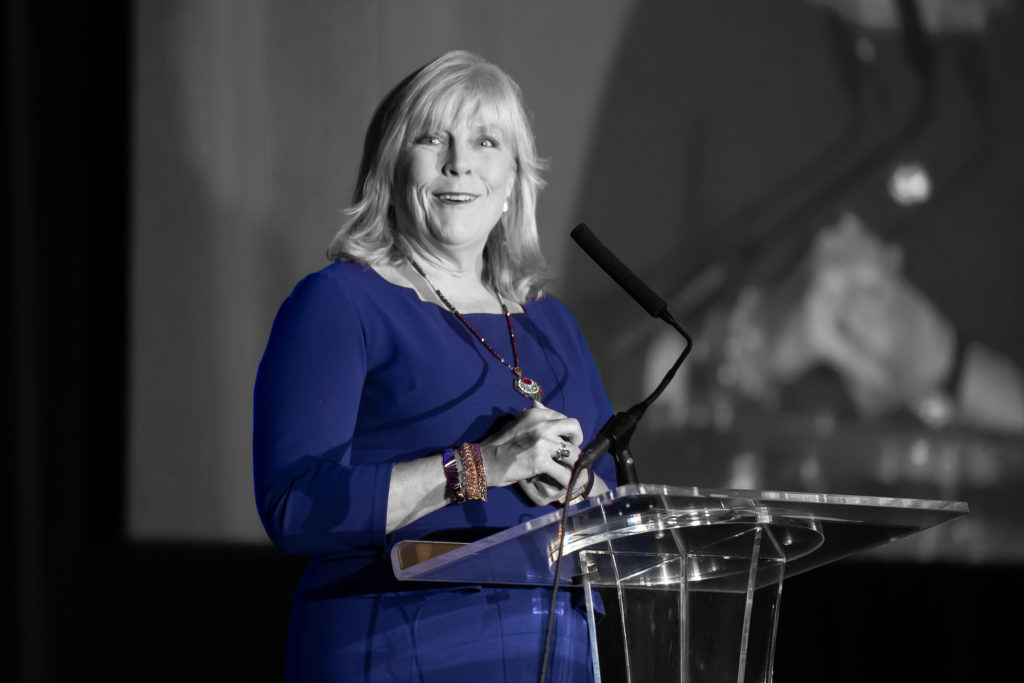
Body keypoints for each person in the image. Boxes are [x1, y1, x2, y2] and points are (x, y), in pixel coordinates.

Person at [253, 51, 616, 682]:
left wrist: (579, 488)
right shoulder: (340, 302)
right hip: (393, 646)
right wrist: (482, 467)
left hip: (553, 651)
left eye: (486, 142)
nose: (459, 162)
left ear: (514, 181)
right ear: (391, 167)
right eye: (431, 139)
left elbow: (620, 508)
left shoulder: (552, 324)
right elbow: (295, 505)